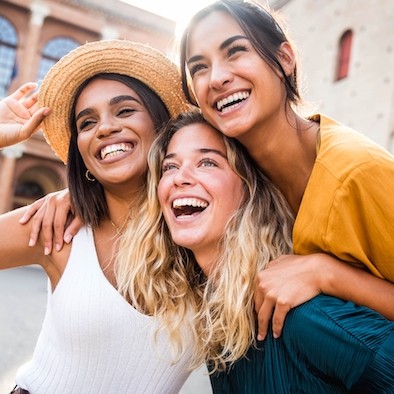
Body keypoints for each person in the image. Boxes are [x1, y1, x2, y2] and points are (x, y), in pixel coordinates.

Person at [123, 111, 394, 393]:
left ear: (250, 189)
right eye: (170, 167)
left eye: (207, 162)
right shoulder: (221, 326)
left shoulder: (302, 316)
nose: (181, 178)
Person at [179, 0, 394, 340]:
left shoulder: (357, 172)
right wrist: (78, 195)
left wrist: (328, 273)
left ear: (284, 59)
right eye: (199, 68)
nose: (217, 78)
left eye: (235, 51)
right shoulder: (234, 176)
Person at [0, 39, 194, 394]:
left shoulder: (203, 234)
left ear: (162, 125)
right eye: (86, 122)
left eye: (124, 111)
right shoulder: (57, 230)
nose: (104, 128)